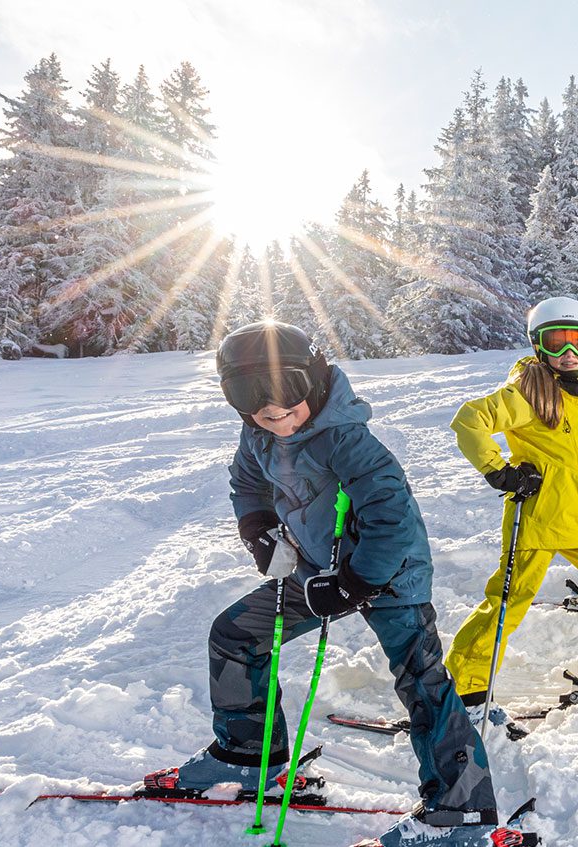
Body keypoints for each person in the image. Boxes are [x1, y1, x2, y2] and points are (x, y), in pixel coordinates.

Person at [140, 321, 524, 847]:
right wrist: (259, 532)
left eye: (286, 391)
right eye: (247, 395)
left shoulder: (348, 441)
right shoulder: (258, 434)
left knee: (422, 679)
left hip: (389, 573)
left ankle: (459, 811)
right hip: (315, 571)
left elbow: (391, 518)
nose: (271, 410)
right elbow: (246, 484)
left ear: (316, 381)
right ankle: (250, 755)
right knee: (237, 636)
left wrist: (354, 583)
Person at [444, 297, 578, 706]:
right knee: (507, 604)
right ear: (538, 346)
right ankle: (464, 691)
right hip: (539, 516)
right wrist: (501, 472)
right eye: (557, 343)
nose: (569, 354)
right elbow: (469, 420)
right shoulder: (528, 392)